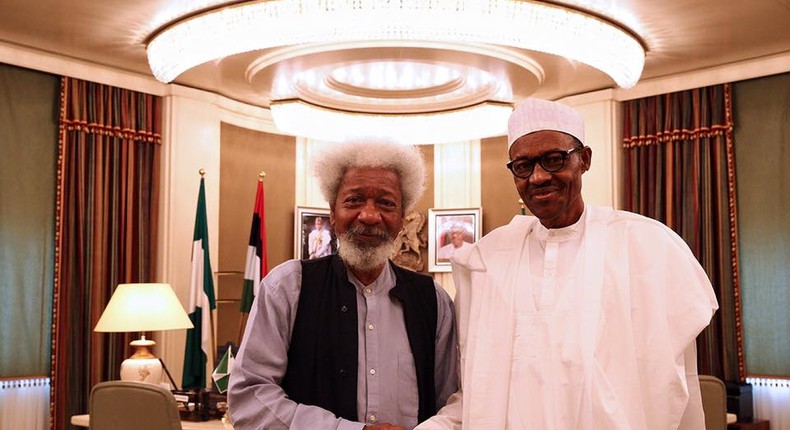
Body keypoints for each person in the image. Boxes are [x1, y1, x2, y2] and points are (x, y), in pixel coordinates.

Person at [416, 98, 719, 430]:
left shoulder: (646, 247)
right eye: (523, 166)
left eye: (554, 159)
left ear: (584, 159)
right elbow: (475, 392)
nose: (539, 177)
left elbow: (677, 385)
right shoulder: (487, 261)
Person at [229, 140, 458, 430]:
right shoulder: (287, 287)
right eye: (354, 200)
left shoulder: (433, 300)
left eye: (386, 203)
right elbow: (249, 398)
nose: (370, 216)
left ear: (402, 219)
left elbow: (452, 404)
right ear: (332, 212)